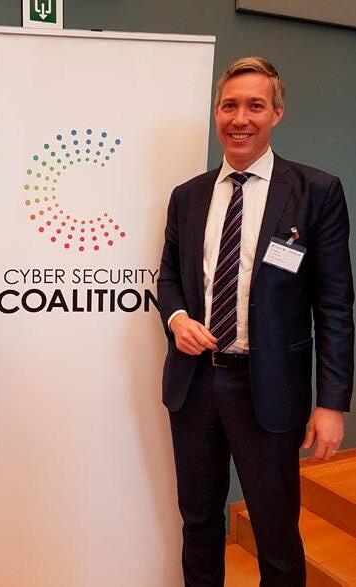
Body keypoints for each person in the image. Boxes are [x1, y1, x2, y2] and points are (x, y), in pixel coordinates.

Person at [158, 57, 353, 586]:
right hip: (194, 386)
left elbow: (335, 305)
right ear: (216, 112)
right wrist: (177, 317)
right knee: (199, 523)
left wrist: (331, 403)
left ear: (276, 114)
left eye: (255, 106)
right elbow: (168, 276)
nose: (239, 118)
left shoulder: (315, 191)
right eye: (229, 105)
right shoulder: (188, 196)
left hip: (268, 390)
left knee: (276, 533)